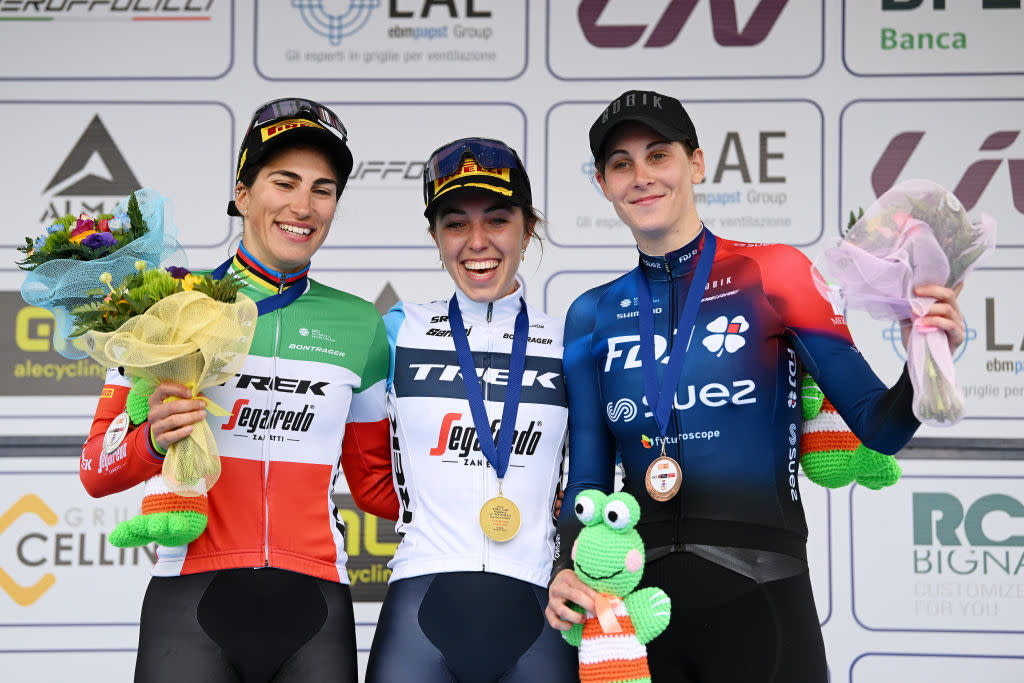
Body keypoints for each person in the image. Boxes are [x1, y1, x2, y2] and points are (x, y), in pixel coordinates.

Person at [544, 90, 965, 682]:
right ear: (604, 183)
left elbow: (881, 425)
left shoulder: (775, 273)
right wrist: (567, 563)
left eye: (657, 155)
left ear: (696, 163)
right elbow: (588, 478)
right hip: (637, 617)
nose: (641, 177)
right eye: (621, 164)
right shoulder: (591, 314)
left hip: (762, 596)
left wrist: (928, 351)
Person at [79, 98, 390, 683]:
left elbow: (376, 484)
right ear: (243, 194)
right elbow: (97, 468)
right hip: (190, 603)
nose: (304, 206)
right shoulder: (166, 305)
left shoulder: (361, 326)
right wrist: (150, 441)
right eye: (285, 182)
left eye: (323, 189)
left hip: (316, 605)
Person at [342, 138, 578, 682]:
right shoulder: (398, 330)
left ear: (528, 227)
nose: (477, 242)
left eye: (497, 219)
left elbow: (590, 480)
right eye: (455, 224)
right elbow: (371, 477)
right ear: (434, 236)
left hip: (541, 607)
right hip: (421, 605)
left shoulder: (568, 342)